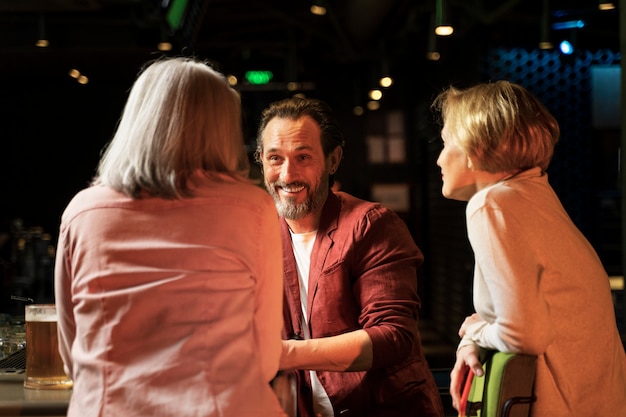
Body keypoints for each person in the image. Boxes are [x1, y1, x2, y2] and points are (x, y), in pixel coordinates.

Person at [54, 56, 287, 417]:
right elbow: (266, 358)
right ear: (223, 128)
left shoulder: (83, 212)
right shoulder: (254, 210)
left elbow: (71, 353)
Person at [432, 80, 626, 417]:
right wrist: (475, 339)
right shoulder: (533, 197)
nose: (438, 159)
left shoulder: (491, 206)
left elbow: (523, 333)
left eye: (447, 142)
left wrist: (474, 330)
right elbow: (527, 312)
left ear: (477, 146)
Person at [255, 97, 444, 417]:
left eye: (303, 157)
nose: (288, 175)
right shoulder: (258, 234)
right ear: (260, 161)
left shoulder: (372, 225)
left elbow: (392, 336)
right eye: (275, 158)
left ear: (333, 160)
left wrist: (282, 355)